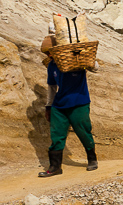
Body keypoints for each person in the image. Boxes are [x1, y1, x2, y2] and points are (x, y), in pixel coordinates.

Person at [39, 28, 98, 177]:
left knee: (83, 132)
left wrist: (86, 59)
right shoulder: (52, 65)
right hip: (59, 105)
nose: (48, 56)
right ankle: (55, 167)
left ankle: (92, 159)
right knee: (57, 135)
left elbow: (95, 68)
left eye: (49, 52)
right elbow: (52, 88)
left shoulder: (76, 60)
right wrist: (48, 107)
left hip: (79, 102)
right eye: (46, 54)